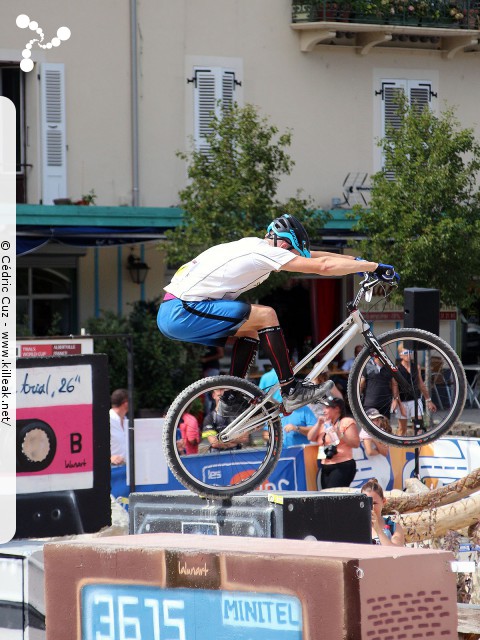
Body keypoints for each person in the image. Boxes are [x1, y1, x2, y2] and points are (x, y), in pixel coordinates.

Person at [157, 214, 396, 416]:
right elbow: (323, 266)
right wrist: (373, 268)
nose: (294, 258)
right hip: (182, 310)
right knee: (266, 314)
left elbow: (314, 256)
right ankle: (291, 390)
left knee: (251, 327)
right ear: (283, 245)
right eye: (292, 252)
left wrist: (359, 261)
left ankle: (232, 396)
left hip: (176, 309)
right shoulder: (266, 253)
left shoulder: (255, 246)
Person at [307, 396, 360, 489]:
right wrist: (318, 424)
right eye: (324, 408)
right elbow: (310, 437)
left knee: (334, 494)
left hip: (342, 464)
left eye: (327, 408)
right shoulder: (324, 424)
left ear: (337, 409)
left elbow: (355, 443)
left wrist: (340, 434)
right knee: (326, 496)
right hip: (325, 464)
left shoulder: (346, 421)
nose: (324, 411)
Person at [396, 343, 437, 436]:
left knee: (419, 426)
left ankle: (419, 447)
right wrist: (398, 403)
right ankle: (399, 448)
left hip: (415, 399)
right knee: (402, 428)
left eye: (410, 352)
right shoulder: (397, 369)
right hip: (402, 400)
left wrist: (428, 400)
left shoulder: (416, 366)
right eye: (405, 352)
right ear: (400, 354)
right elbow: (395, 388)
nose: (408, 354)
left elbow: (421, 384)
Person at [361, 478, 405, 546]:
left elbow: (396, 553)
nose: (370, 507)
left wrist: (378, 530)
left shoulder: (394, 528)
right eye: (366, 503)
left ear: (383, 502)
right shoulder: (355, 527)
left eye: (374, 503)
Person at [360, 354, 399, 419]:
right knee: (370, 427)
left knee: (385, 427)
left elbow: (394, 384)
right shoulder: (367, 365)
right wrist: (357, 399)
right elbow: (361, 384)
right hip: (370, 403)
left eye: (384, 352)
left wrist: (395, 399)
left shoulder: (389, 366)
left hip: (385, 403)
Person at [109, 388, 129, 466]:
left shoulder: (127, 420)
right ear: (125, 403)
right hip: (111, 469)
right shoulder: (106, 420)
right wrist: (109, 457)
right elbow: (94, 445)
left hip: (127, 469)